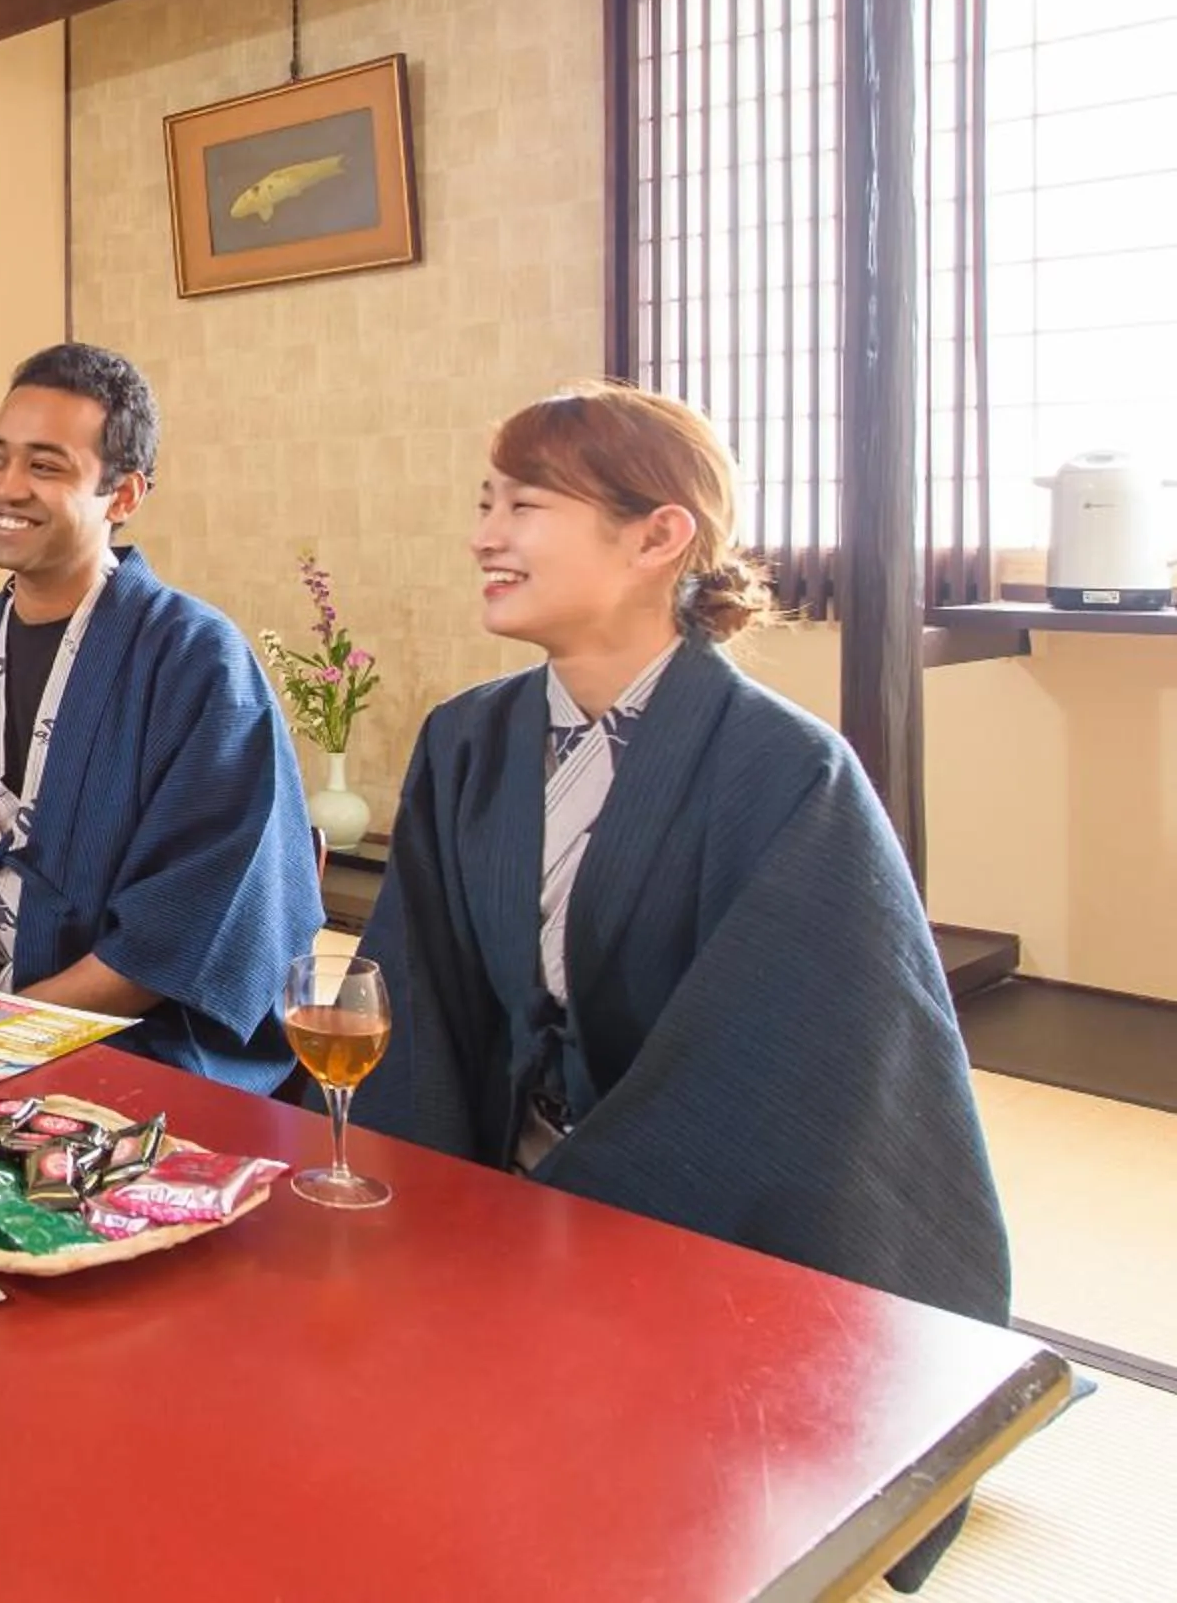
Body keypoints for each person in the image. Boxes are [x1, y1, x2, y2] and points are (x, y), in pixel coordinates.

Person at [351, 382, 1008, 1590]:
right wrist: (424, 1215)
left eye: (526, 504)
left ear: (660, 537)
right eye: (486, 501)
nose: (486, 534)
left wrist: (552, 1235)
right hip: (503, 1197)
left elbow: (784, 1070)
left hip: (690, 1226)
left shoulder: (788, 771)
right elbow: (419, 1001)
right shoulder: (467, 739)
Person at [0, 343, 324, 1089]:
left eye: (45, 467)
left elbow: (187, 920)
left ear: (123, 496)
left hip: (132, 1045)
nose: (5, 488)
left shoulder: (199, 663)